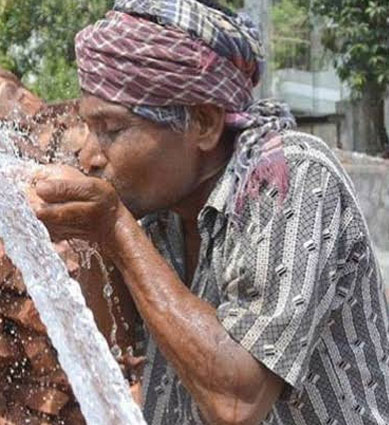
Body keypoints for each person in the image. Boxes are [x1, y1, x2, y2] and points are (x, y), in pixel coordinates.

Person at [30, 0, 389, 424]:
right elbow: (121, 334)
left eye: (111, 129)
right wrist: (89, 237)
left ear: (202, 123)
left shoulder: (290, 178)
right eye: (88, 128)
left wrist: (113, 230)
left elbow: (238, 402)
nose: (89, 154)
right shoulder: (160, 209)